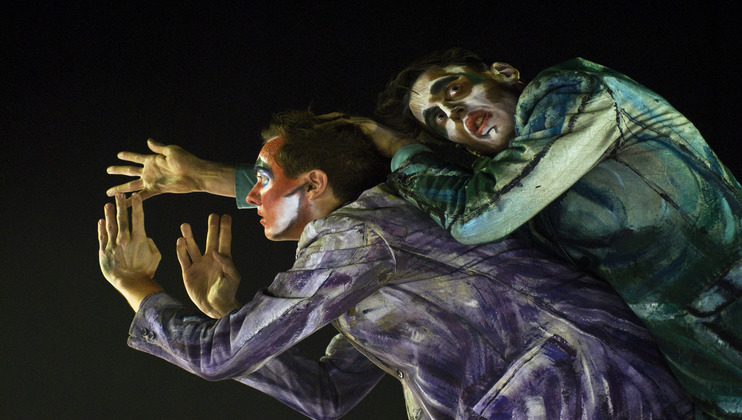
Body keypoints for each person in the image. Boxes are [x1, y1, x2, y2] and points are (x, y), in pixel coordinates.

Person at [100, 111, 693, 419]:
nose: (252, 196)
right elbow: (326, 396)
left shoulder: (358, 238)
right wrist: (228, 311)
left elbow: (218, 355)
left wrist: (137, 286)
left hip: (591, 399)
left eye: (261, 181)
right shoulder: (383, 254)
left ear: (315, 182)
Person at [373, 48, 742, 418]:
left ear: (502, 72)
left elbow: (477, 214)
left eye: (452, 91)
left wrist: (401, 151)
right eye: (438, 120)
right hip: (703, 363)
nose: (452, 113)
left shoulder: (572, 89)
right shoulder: (525, 208)